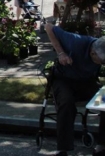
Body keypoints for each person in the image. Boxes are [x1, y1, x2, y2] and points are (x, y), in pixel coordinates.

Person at [45, 22, 105, 156]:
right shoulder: (75, 41)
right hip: (64, 79)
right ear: (93, 53)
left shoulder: (101, 48)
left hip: (86, 81)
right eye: (102, 62)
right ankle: (63, 148)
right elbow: (48, 27)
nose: (102, 64)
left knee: (104, 102)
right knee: (66, 103)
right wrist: (61, 53)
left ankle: (102, 145)